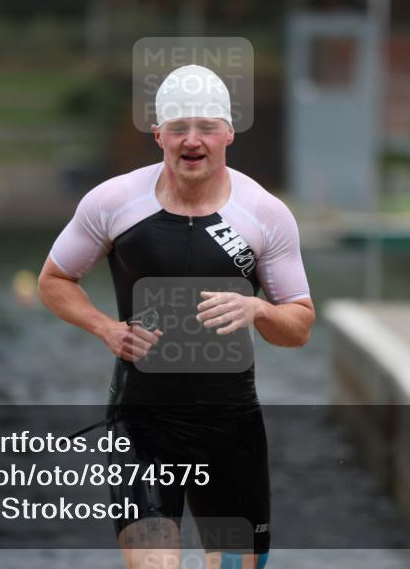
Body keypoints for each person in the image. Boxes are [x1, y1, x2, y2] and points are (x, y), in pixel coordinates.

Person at [37, 64, 315, 569]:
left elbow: (300, 326)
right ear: (157, 133)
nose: (193, 140)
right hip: (142, 423)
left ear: (228, 132)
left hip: (230, 426)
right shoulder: (114, 202)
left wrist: (257, 308)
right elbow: (53, 280)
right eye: (179, 128)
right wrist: (106, 328)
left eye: (207, 127)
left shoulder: (264, 213)